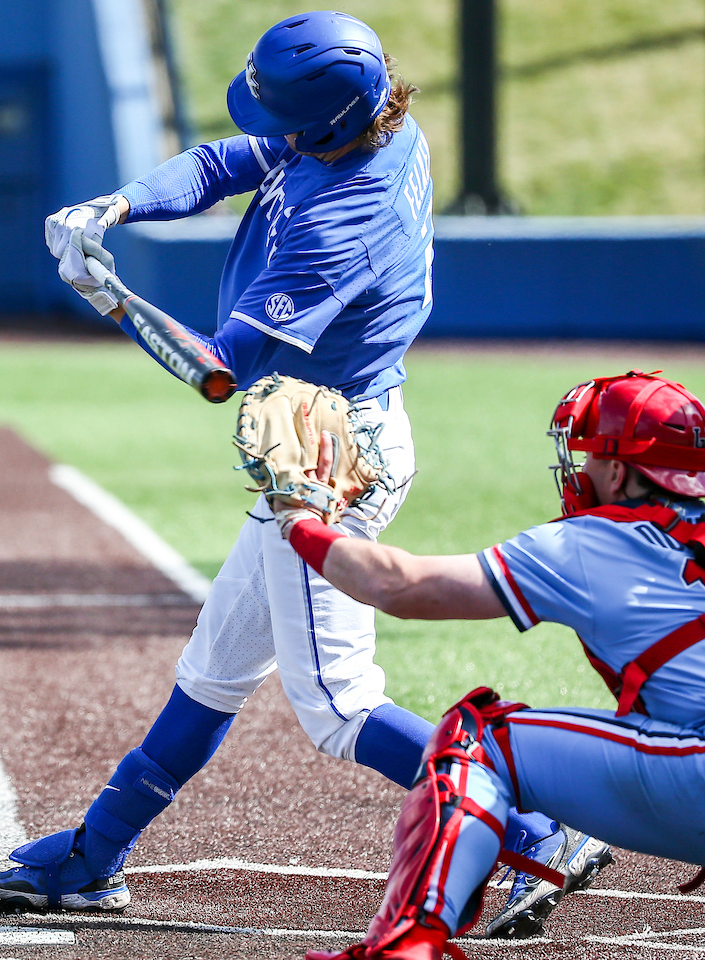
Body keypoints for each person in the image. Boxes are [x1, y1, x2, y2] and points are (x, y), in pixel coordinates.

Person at [0, 11, 606, 936]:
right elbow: (227, 162)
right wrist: (120, 206)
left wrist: (113, 299)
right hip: (331, 431)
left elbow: (218, 370)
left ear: (330, 119)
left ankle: (539, 830)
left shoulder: (345, 219)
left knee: (339, 705)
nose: (270, 132)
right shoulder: (368, 119)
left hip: (332, 457)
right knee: (214, 670)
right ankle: (94, 855)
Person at [286, 370, 705, 959]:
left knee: (477, 742)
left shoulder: (597, 542)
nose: (579, 472)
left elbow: (400, 587)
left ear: (620, 470)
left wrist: (299, 518)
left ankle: (405, 947)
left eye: (588, 458)